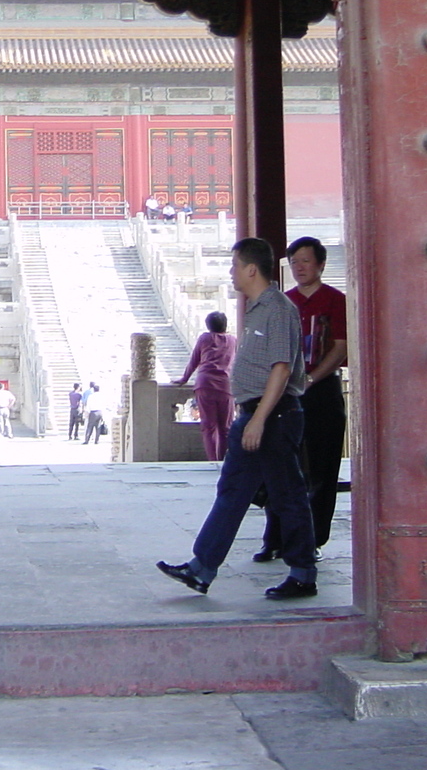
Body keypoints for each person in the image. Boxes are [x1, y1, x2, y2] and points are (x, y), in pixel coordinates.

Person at [156, 237, 316, 599]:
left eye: (233, 266)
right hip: (252, 414)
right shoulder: (257, 308)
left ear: (251, 269)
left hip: (272, 415)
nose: (230, 272)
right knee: (231, 491)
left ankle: (303, 572)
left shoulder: (278, 308)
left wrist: (259, 419)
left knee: (287, 493)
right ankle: (201, 567)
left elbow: (280, 368)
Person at [272, 236, 349, 554]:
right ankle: (277, 537)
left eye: (305, 261)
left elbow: (341, 347)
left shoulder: (335, 300)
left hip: (323, 390)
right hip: (288, 391)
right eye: (294, 262)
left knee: (322, 467)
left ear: (320, 264)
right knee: (283, 466)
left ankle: (313, 539)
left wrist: (314, 377)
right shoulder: (282, 302)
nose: (299, 267)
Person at [176, 311, 235, 462]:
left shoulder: (204, 338)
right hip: (225, 386)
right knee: (225, 428)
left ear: (208, 325)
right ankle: (224, 462)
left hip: (205, 384)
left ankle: (212, 461)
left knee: (209, 427)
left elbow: (194, 361)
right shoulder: (232, 340)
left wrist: (184, 378)